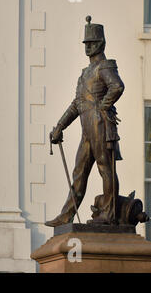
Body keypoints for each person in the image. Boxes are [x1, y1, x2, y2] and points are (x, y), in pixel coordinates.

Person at [45, 16, 124, 227]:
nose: (88, 47)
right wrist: (60, 126)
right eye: (86, 44)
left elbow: (117, 86)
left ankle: (110, 214)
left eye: (91, 43)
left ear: (100, 44)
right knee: (79, 172)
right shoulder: (85, 73)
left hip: (100, 124)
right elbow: (77, 104)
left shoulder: (104, 67)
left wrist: (102, 107)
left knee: (105, 168)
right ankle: (66, 215)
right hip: (87, 128)